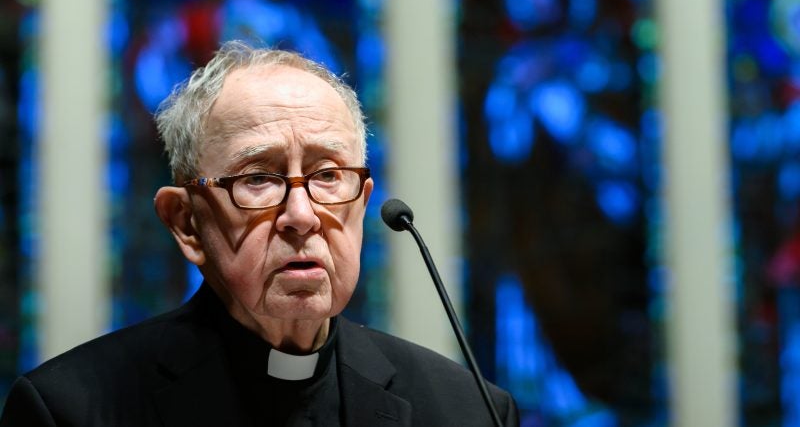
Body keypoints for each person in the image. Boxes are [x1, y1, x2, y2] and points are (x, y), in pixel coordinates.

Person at [0, 41, 519, 426]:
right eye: (258, 179)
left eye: (327, 175)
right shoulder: (69, 411)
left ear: (362, 204)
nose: (303, 214)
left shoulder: (466, 410)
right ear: (186, 223)